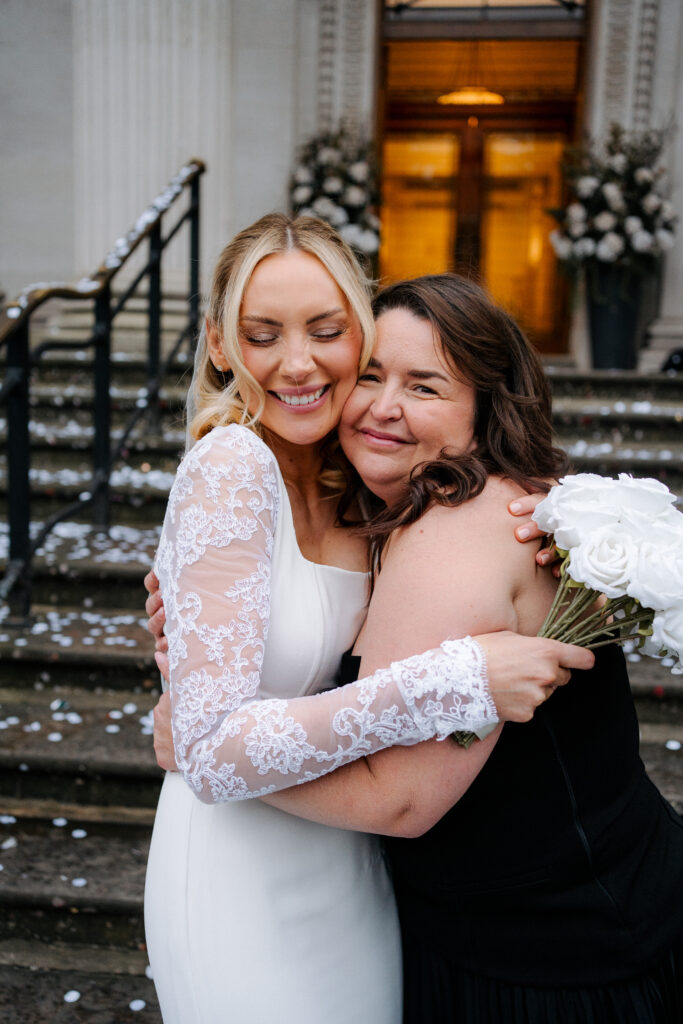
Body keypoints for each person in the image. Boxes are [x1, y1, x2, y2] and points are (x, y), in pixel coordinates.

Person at [143, 213, 590, 1024]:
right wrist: (454, 678)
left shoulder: (352, 479)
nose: (299, 363)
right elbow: (210, 749)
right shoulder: (232, 465)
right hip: (241, 869)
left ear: (359, 330)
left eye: (326, 330)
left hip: (347, 861)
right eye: (263, 334)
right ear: (218, 345)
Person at [241, 273, 680, 1023]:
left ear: (482, 410)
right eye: (371, 375)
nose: (384, 406)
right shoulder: (447, 502)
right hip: (595, 906)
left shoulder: (453, 531)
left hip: (553, 960)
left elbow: (400, 797)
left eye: (424, 386)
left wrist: (220, 758)